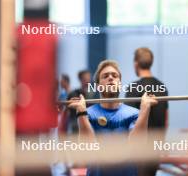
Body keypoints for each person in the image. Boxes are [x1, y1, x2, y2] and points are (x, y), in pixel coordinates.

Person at [68, 60, 158, 176]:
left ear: (120, 84)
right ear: (98, 86)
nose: (110, 78)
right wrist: (81, 113)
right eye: (105, 76)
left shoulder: (134, 113)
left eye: (115, 76)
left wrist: (145, 109)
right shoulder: (87, 113)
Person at [125, 47, 168, 176]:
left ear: (136, 64)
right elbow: (166, 119)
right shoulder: (162, 87)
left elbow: (128, 119)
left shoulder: (134, 87)